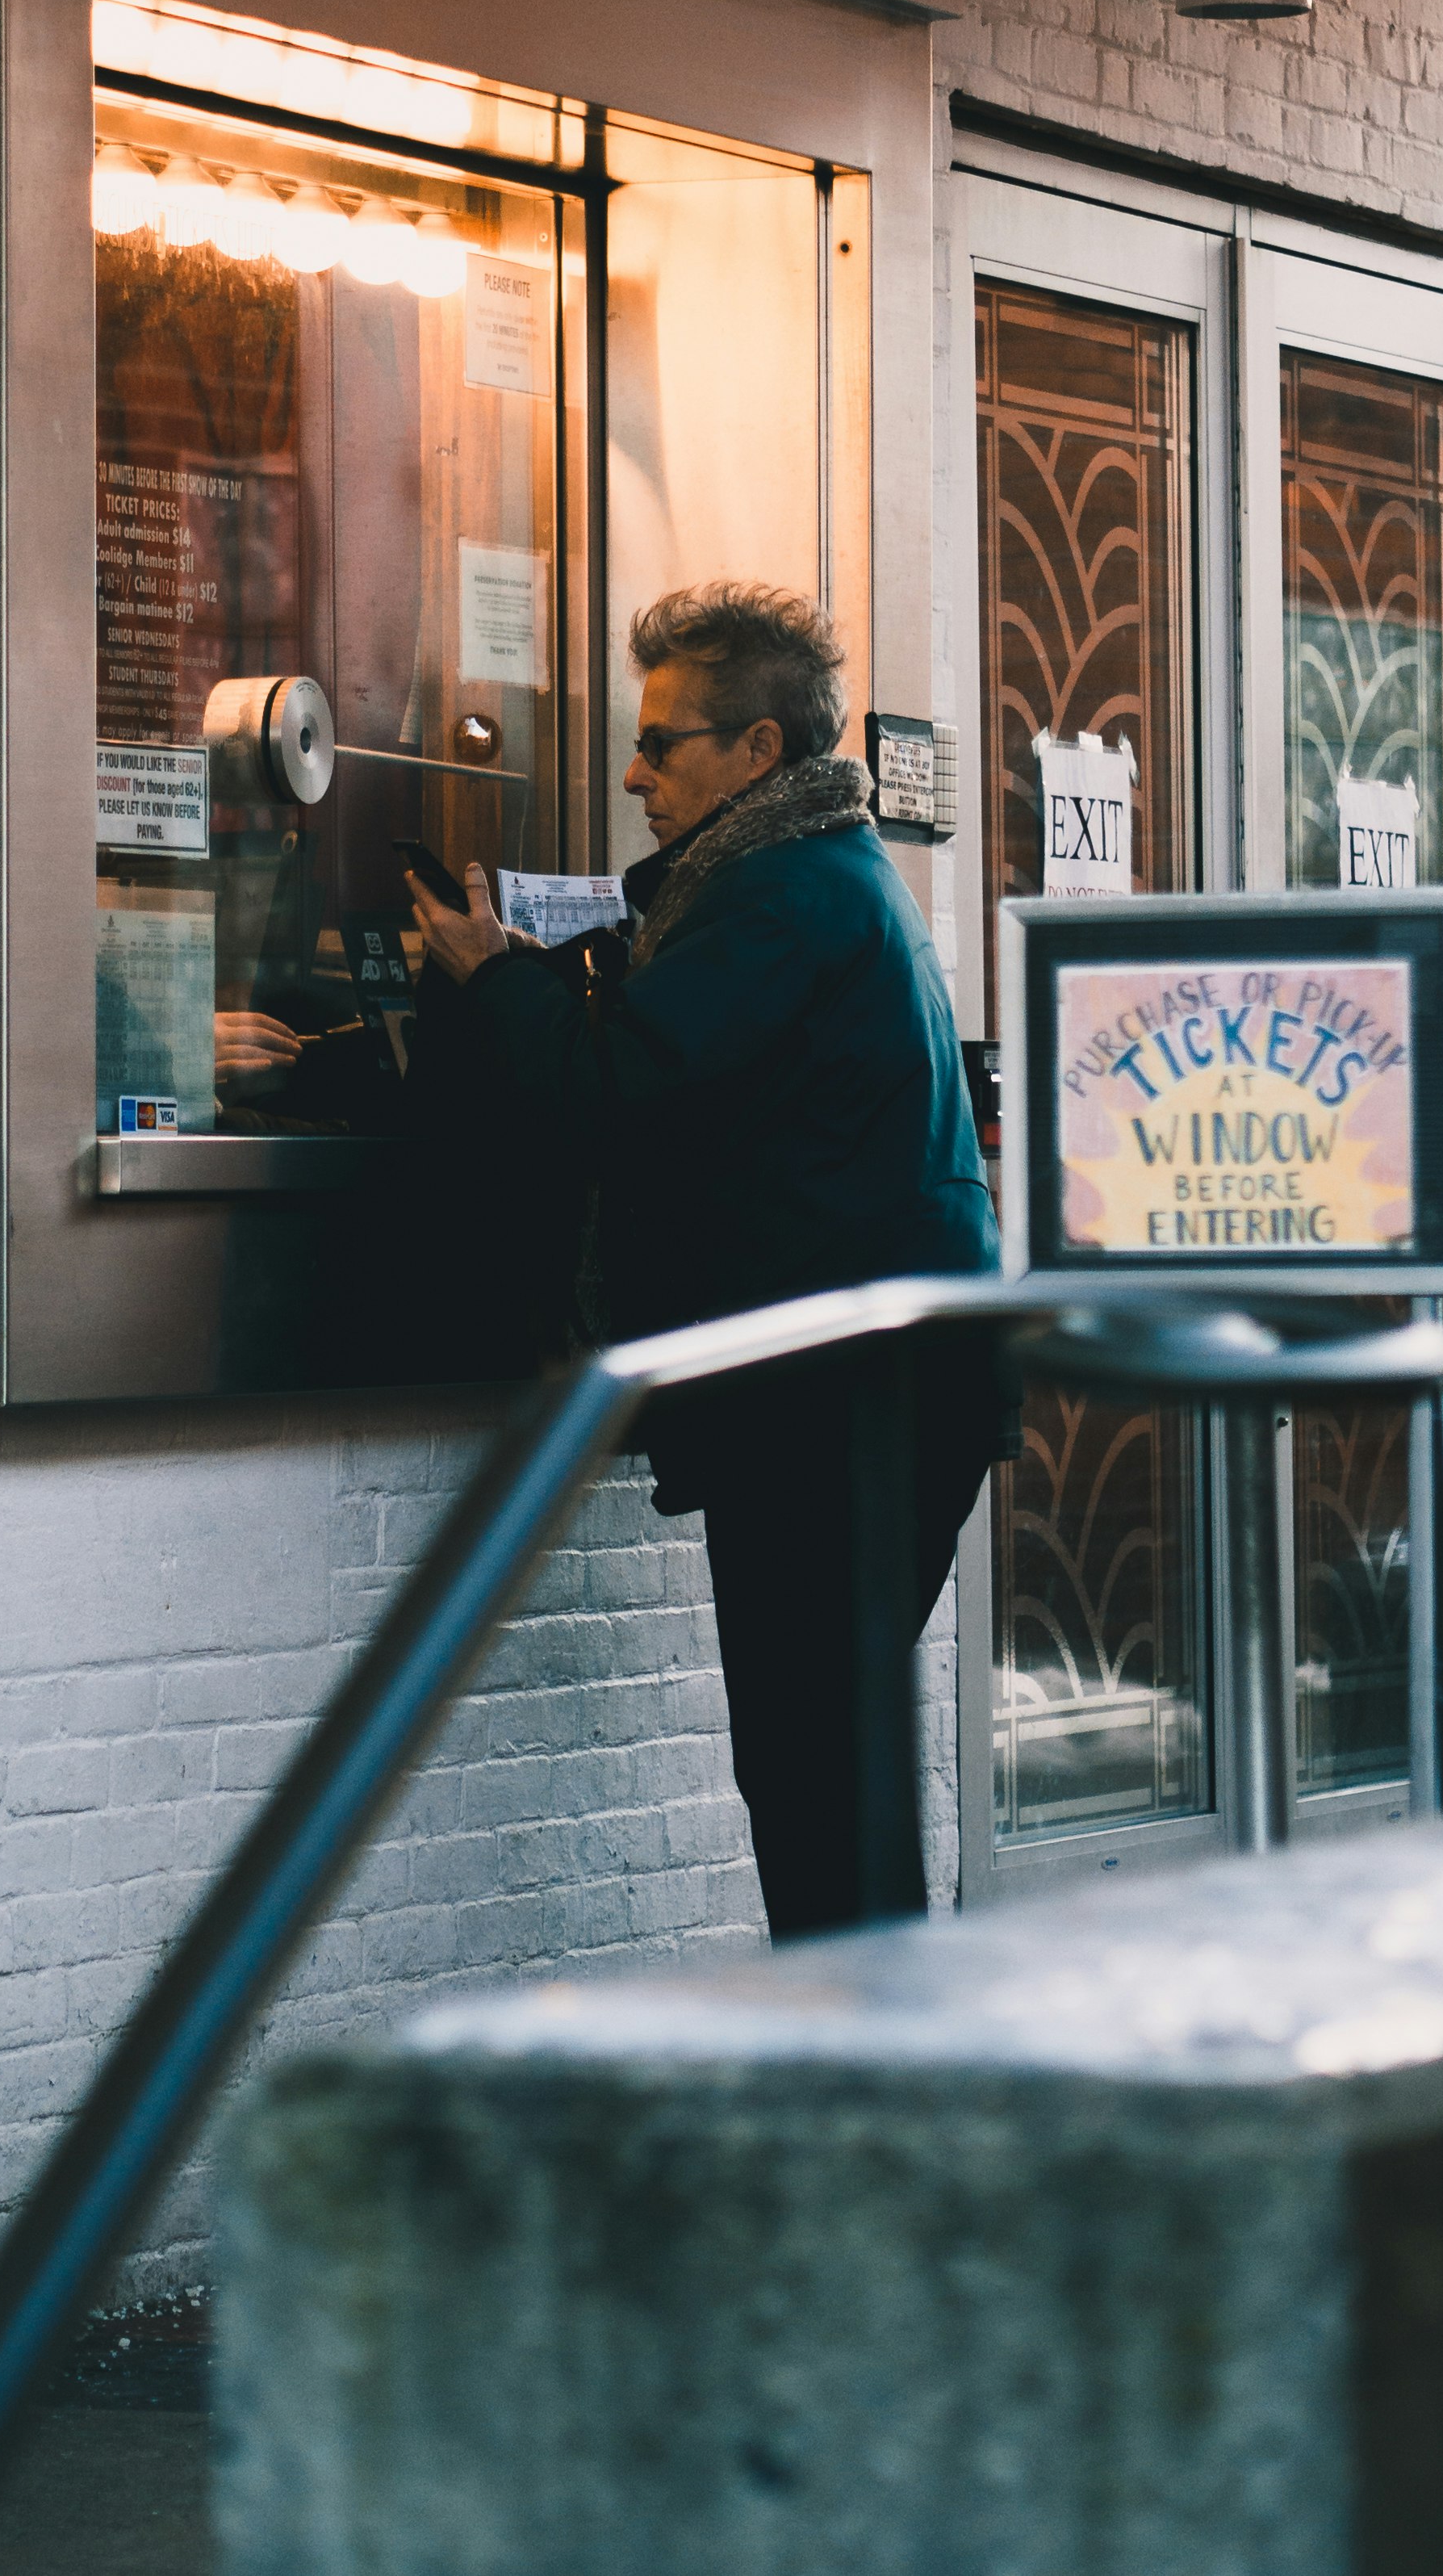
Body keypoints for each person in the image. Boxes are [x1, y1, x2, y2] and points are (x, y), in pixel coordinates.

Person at [407, 581, 999, 1941]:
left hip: (844, 1399)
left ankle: (861, 2091)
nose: (631, 768)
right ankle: (863, 2073)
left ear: (757, 754)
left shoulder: (782, 891)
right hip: (866, 1390)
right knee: (820, 1762)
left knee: (814, 1771)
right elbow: (685, 1058)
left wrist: (489, 974)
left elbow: (624, 1085)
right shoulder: (803, 877)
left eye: (661, 740)